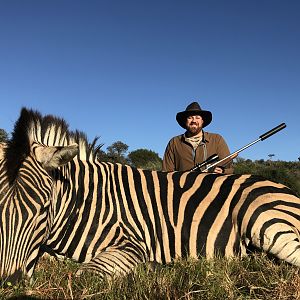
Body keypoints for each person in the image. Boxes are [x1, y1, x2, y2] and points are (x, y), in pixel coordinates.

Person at [162, 101, 233, 174]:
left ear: (202, 121)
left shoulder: (217, 139)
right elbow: (166, 172)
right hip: (182, 185)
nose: (194, 121)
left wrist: (222, 171)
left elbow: (230, 169)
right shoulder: (174, 142)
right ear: (185, 121)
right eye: (190, 118)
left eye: (197, 117)